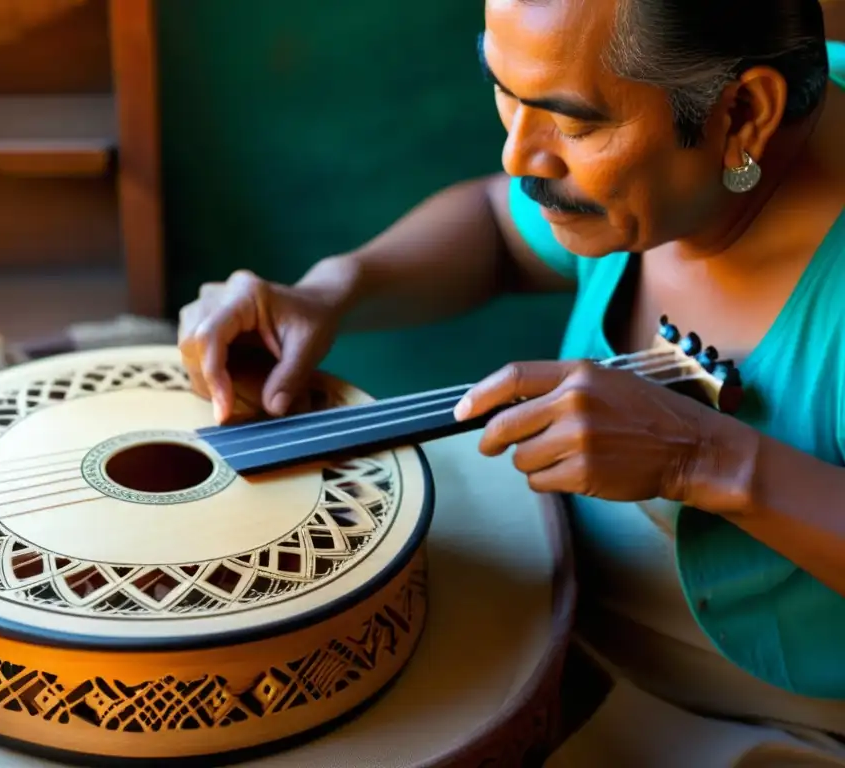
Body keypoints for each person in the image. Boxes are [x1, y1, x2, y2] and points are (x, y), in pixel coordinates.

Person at [178, 0, 845, 763]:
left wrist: (704, 460)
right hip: (560, 620)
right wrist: (334, 289)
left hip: (770, 725)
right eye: (506, 92)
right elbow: (503, 227)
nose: (518, 155)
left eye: (574, 121)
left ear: (745, 112)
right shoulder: (650, 155)